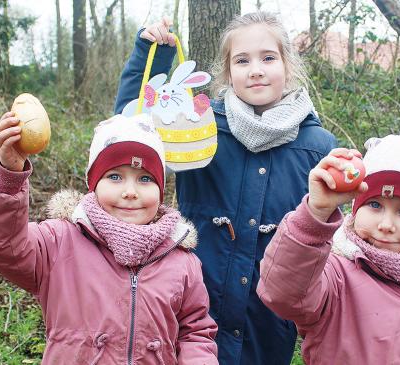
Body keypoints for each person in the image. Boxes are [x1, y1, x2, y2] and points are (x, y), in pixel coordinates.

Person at [114, 11, 337, 365]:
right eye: (242, 60)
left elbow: (330, 247)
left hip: (268, 325)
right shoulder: (199, 124)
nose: (256, 69)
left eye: (268, 58)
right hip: (191, 312)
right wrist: (149, 55)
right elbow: (128, 133)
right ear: (227, 71)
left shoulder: (318, 148)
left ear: (288, 66)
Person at [0, 111, 218, 364]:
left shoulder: (181, 260)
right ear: (93, 184)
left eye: (145, 179)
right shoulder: (58, 241)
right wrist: (8, 178)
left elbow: (195, 333)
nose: (130, 192)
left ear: (161, 190)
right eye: (114, 177)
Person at [257, 129, 400, 364]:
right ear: (356, 208)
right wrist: (315, 215)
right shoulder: (335, 276)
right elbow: (282, 294)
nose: (386, 225)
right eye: (375, 205)